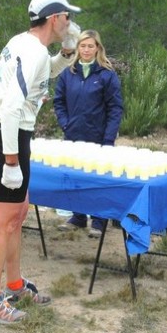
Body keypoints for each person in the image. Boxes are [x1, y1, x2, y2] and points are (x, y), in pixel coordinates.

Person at [0, 0, 81, 324]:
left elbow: (44, 75)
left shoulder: (28, 44)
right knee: (4, 221)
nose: (70, 22)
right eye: (67, 17)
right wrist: (10, 162)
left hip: (14, 135)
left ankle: (15, 283)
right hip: (6, 134)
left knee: (17, 213)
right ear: (54, 19)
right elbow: (11, 106)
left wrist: (66, 53)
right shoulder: (33, 51)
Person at [53, 30, 124, 238]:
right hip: (73, 135)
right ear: (77, 48)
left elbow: (115, 108)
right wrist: (66, 124)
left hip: (99, 137)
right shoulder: (68, 73)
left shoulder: (106, 74)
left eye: (90, 46)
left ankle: (99, 220)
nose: (86, 50)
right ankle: (78, 216)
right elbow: (59, 102)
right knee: (75, 177)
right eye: (82, 46)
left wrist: (108, 138)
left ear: (97, 48)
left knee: (97, 178)